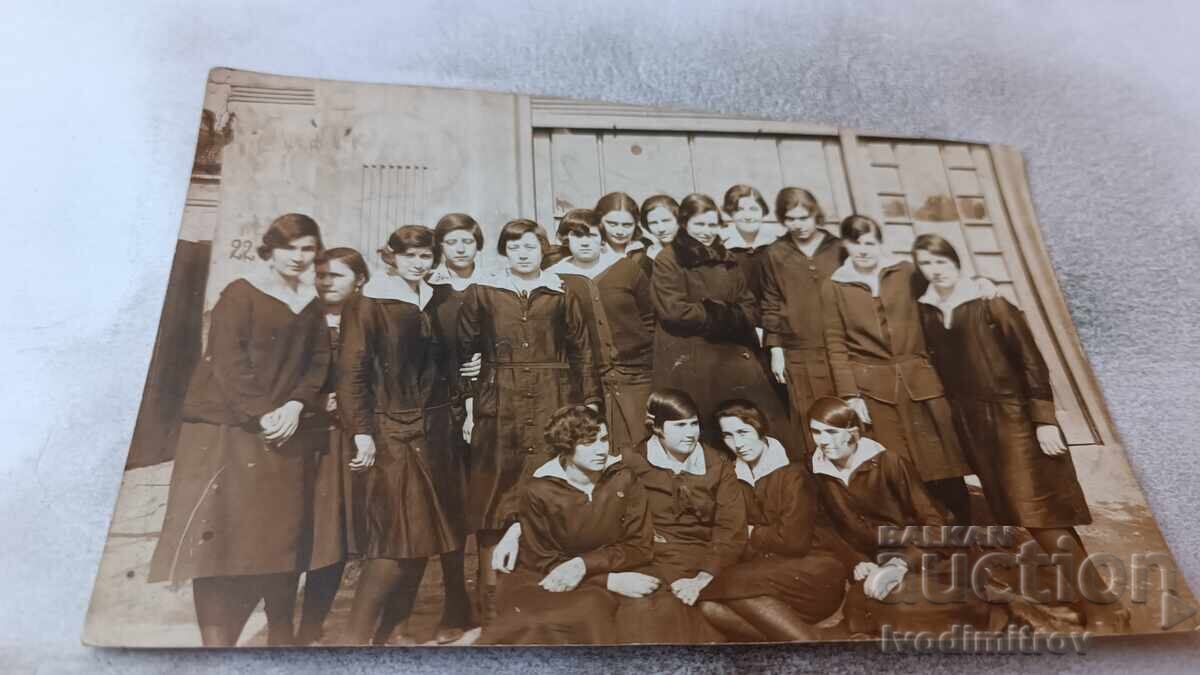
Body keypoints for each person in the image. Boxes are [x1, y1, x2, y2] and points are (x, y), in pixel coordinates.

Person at [913, 234, 1116, 629]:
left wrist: (1043, 420)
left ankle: (1107, 609)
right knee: (1032, 515)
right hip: (974, 425)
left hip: (1015, 419)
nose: (935, 271)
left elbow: (1031, 362)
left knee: (1041, 513)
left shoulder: (992, 303)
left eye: (941, 261)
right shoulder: (927, 311)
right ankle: (1089, 600)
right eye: (926, 264)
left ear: (956, 261)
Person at [148, 213, 331, 647]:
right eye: (290, 249)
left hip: (281, 430)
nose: (299, 258)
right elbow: (229, 362)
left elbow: (319, 361)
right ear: (270, 249)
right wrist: (263, 413)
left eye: (308, 250)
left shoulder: (309, 300)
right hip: (225, 433)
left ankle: (280, 633)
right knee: (218, 540)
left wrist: (294, 405)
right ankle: (216, 647)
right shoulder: (240, 294)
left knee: (278, 536)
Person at [458, 218, 602, 624]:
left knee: (546, 490)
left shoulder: (561, 294)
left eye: (531, 247)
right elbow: (463, 350)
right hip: (499, 402)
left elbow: (583, 352)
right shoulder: (483, 293)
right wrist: (470, 401)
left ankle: (545, 604)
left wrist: (588, 404)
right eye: (515, 247)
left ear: (544, 251)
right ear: (504, 252)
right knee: (494, 498)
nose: (523, 254)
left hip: (552, 400)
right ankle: (490, 608)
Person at [337, 225, 466, 645]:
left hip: (434, 432)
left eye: (425, 256)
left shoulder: (435, 298)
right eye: (409, 256)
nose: (418, 263)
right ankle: (354, 640)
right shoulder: (368, 302)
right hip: (390, 430)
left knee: (424, 538)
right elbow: (352, 373)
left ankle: (393, 634)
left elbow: (447, 361)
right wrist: (361, 433)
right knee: (394, 539)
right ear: (390, 256)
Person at [819, 215, 972, 522]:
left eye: (869, 243)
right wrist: (851, 395)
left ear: (879, 243)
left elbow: (944, 289)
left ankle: (965, 532)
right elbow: (835, 344)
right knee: (900, 464)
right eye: (854, 243)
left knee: (944, 461)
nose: (862, 250)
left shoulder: (906, 272)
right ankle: (928, 537)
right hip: (875, 389)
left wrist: (978, 284)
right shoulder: (834, 286)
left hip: (922, 381)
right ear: (845, 245)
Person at [806, 397, 994, 635]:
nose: (822, 441)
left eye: (831, 432)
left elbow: (937, 524)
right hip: (876, 562)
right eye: (816, 432)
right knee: (864, 607)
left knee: (901, 609)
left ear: (852, 433)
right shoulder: (816, 471)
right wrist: (856, 561)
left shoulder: (890, 463)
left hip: (926, 553)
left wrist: (902, 563)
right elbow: (826, 529)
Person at [484, 405, 653, 645]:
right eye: (588, 442)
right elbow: (542, 559)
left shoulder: (623, 478)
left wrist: (585, 565)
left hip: (610, 569)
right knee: (565, 616)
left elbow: (640, 545)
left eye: (604, 439)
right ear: (566, 446)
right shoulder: (539, 489)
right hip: (544, 576)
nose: (601, 450)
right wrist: (606, 580)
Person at [650, 193, 794, 455]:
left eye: (712, 225)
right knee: (707, 431)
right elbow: (673, 310)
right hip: (691, 356)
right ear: (684, 224)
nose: (707, 232)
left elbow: (749, 306)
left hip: (731, 354)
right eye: (699, 225)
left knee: (756, 423)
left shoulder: (726, 257)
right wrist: (722, 314)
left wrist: (727, 314)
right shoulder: (669, 259)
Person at [696, 399, 849, 642]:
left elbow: (793, 542)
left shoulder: (794, 474)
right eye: (728, 436)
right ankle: (808, 637)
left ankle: (803, 639)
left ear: (760, 429)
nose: (738, 443)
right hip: (766, 580)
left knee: (722, 584)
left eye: (743, 432)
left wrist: (750, 532)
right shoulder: (733, 479)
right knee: (709, 607)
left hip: (814, 572)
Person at [614, 389, 746, 644]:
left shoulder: (717, 464)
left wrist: (703, 577)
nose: (690, 433)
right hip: (649, 557)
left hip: (703, 559)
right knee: (642, 614)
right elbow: (564, 475)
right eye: (680, 426)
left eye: (694, 424)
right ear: (657, 428)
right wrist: (517, 525)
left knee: (685, 618)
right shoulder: (631, 460)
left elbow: (731, 529)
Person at [295, 246, 370, 646]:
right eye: (321, 275)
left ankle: (312, 622)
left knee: (332, 535)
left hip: (344, 441)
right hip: (302, 438)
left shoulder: (371, 317)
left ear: (360, 280)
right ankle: (279, 622)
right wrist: (313, 399)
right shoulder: (300, 316)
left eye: (336, 275)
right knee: (294, 528)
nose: (326, 282)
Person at [423, 212, 487, 639]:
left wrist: (488, 362)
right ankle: (454, 601)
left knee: (488, 499)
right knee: (450, 505)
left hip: (491, 401)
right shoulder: (429, 292)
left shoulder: (494, 285)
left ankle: (492, 595)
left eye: (467, 240)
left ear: (477, 244)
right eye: (451, 242)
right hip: (443, 406)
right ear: (441, 249)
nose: (460, 248)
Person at [547, 209, 657, 457]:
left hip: (636, 374)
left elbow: (649, 317)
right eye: (577, 235)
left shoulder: (626, 268)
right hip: (588, 380)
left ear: (602, 238)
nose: (585, 242)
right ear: (566, 239)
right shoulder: (556, 278)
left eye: (592, 235)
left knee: (643, 444)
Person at [759, 188, 846, 459]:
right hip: (799, 350)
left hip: (841, 346)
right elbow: (770, 301)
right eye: (791, 218)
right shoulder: (775, 253)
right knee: (809, 419)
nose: (799, 225)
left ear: (815, 214)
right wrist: (775, 349)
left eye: (804, 217)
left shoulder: (839, 248)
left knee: (845, 413)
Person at [720, 184, 784, 299]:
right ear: (731, 213)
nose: (747, 216)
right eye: (739, 210)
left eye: (753, 209)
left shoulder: (779, 245)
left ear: (763, 211)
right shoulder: (719, 248)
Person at [595, 191, 652, 256]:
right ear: (599, 222)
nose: (620, 232)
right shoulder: (589, 249)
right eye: (612, 224)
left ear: (636, 223)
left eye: (627, 225)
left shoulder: (647, 248)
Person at [639, 193, 681, 259]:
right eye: (653, 223)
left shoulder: (695, 248)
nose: (661, 229)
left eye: (666, 221)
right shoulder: (648, 254)